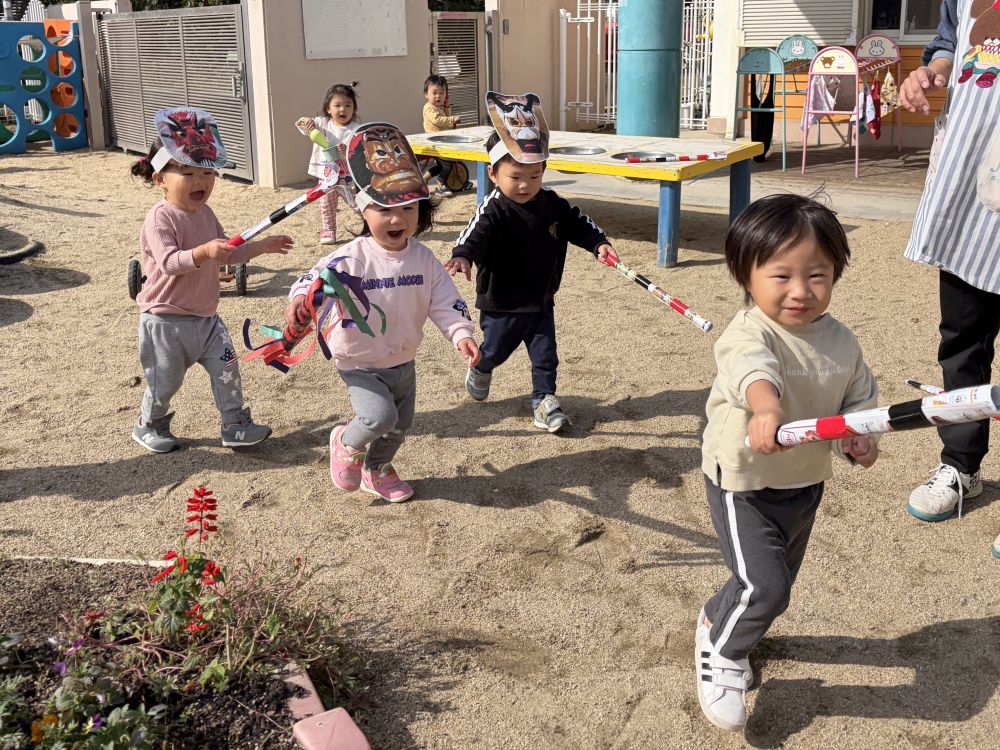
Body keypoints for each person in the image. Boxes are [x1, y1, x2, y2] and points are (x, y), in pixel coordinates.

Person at [695, 194, 880, 731]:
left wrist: (858, 439)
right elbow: (753, 373)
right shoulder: (749, 332)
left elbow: (857, 400)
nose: (801, 291)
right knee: (767, 588)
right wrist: (766, 407)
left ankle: (715, 616)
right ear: (746, 275)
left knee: (768, 582)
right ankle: (723, 654)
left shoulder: (842, 341)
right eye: (781, 276)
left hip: (803, 481)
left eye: (817, 276)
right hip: (743, 480)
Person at [285, 122, 480, 503]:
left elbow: (444, 300)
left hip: (403, 359)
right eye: (383, 209)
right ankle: (345, 440)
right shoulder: (351, 256)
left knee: (399, 426)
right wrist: (298, 300)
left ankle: (377, 469)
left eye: (407, 208)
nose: (397, 219)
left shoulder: (423, 260)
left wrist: (462, 333)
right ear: (362, 209)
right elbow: (312, 280)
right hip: (358, 360)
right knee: (379, 417)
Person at [444, 92, 615, 433]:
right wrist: (462, 256)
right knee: (494, 351)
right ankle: (481, 367)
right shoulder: (494, 208)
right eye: (516, 177)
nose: (525, 185)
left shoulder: (552, 204)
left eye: (534, 176)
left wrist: (598, 243)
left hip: (539, 300)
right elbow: (473, 235)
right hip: (502, 303)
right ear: (493, 174)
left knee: (546, 355)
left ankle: (544, 400)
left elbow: (579, 223)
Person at [899, 0, 1000, 560]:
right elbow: (947, 42)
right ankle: (961, 465)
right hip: (970, 185)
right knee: (962, 338)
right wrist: (931, 70)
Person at [131, 107, 292, 453]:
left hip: (207, 320)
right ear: (160, 178)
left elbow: (228, 254)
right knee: (164, 383)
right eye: (187, 173)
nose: (200, 181)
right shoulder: (159, 218)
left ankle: (234, 425)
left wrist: (262, 246)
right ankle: (149, 423)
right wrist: (205, 251)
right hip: (165, 321)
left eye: (207, 172)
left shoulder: (206, 214)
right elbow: (171, 263)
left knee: (227, 370)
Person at [298, 82, 360, 244]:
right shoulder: (322, 124)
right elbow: (301, 124)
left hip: (347, 176)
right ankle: (328, 231)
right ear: (328, 109)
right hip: (327, 175)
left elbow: (360, 151)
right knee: (326, 204)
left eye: (348, 105)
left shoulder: (356, 130)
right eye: (337, 105)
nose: (343, 109)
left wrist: (347, 149)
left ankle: (372, 225)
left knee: (357, 204)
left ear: (354, 109)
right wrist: (307, 121)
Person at [421, 74, 462, 197]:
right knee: (447, 163)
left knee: (439, 165)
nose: (438, 96)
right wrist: (452, 119)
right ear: (426, 94)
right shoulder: (429, 108)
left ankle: (424, 180)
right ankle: (441, 185)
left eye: (442, 93)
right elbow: (438, 120)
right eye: (434, 93)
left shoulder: (439, 107)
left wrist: (447, 107)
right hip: (434, 141)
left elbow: (445, 121)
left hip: (441, 140)